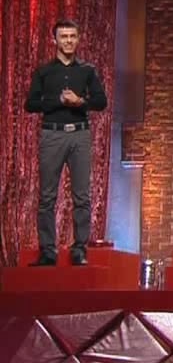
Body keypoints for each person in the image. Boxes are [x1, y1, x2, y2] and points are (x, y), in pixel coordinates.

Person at [25, 19, 108, 266]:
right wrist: (59, 102)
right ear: (55, 40)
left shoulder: (87, 70)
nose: (69, 41)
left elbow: (101, 101)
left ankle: (79, 249)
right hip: (52, 134)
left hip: (80, 135)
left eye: (72, 36)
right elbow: (30, 104)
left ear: (78, 39)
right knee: (47, 196)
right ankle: (48, 251)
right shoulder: (44, 72)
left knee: (82, 196)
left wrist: (80, 102)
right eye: (64, 37)